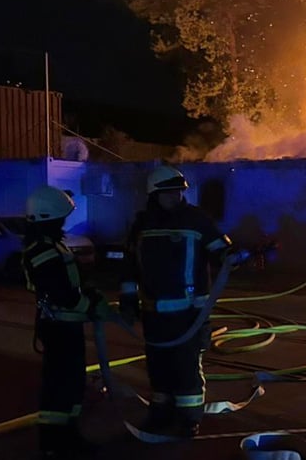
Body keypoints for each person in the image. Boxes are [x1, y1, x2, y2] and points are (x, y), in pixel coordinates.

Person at [118, 165, 234, 438]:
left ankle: (188, 420)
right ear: (154, 195)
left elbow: (221, 250)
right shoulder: (142, 225)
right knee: (158, 368)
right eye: (169, 193)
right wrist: (127, 300)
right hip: (153, 313)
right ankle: (160, 413)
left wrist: (233, 257)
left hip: (189, 315)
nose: (176, 198)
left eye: (179, 192)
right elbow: (129, 267)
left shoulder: (196, 220)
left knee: (186, 368)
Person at [22, 185, 111, 459]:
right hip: (60, 328)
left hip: (65, 327)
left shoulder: (51, 245)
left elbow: (72, 283)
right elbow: (62, 293)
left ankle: (67, 437)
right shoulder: (43, 251)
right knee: (61, 387)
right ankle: (55, 443)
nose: (64, 222)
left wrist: (91, 294)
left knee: (71, 384)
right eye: (61, 217)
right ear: (50, 217)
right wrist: (91, 307)